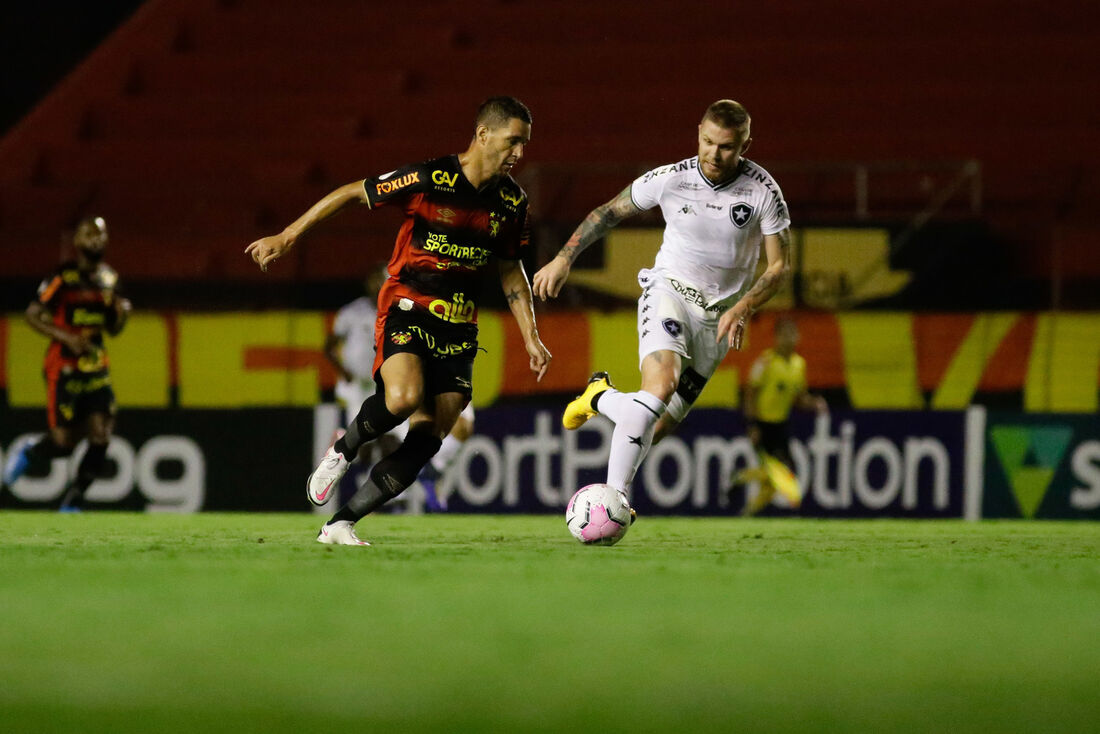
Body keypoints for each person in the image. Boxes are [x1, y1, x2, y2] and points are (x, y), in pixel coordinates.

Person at [247, 96, 551, 545]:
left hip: (460, 327)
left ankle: (340, 524)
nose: (519, 154)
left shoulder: (512, 202)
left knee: (430, 435)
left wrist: (531, 335)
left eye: (524, 144)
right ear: (483, 134)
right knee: (403, 397)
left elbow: (510, 268)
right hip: (408, 305)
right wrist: (288, 235)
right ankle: (343, 450)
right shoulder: (432, 178)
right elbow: (355, 191)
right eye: (512, 141)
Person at [533, 99, 791, 505]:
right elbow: (608, 212)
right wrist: (564, 258)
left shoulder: (764, 192)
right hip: (668, 292)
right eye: (707, 142)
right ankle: (614, 499)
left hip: (719, 320)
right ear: (699, 133)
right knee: (660, 387)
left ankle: (598, 396)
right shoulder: (673, 178)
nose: (714, 154)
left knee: (660, 423)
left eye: (726, 147)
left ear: (745, 145)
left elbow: (779, 268)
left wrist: (744, 307)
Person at [1, 217, 131, 510]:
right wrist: (66, 337)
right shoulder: (62, 278)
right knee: (63, 444)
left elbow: (114, 330)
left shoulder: (110, 280)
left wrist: (121, 314)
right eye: (89, 234)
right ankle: (31, 452)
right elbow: (32, 314)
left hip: (95, 366)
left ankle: (73, 502)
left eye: (100, 234)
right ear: (77, 242)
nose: (96, 240)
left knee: (101, 435)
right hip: (63, 366)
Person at [324, 264, 471, 511]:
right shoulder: (353, 311)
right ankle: (343, 443)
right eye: (375, 281)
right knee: (367, 444)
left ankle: (393, 494)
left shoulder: (404, 307)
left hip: (392, 381)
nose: (378, 286)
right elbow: (329, 345)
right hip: (360, 384)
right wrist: (343, 370)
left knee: (394, 438)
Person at [732, 317, 828, 516]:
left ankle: (744, 489)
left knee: (779, 477)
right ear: (776, 337)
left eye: (793, 334)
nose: (789, 339)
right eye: (784, 334)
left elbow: (799, 399)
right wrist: (751, 424)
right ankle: (745, 493)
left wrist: (814, 403)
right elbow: (750, 393)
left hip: (781, 425)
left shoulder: (798, 365)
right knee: (780, 474)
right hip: (763, 424)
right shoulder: (766, 362)